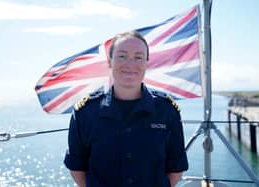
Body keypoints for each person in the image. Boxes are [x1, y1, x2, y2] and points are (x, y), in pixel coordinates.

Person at [64, 31, 188, 187]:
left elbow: (176, 167)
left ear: (146, 63)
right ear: (110, 62)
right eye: (122, 56)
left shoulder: (167, 111)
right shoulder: (85, 112)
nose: (130, 64)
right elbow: (76, 166)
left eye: (138, 57)